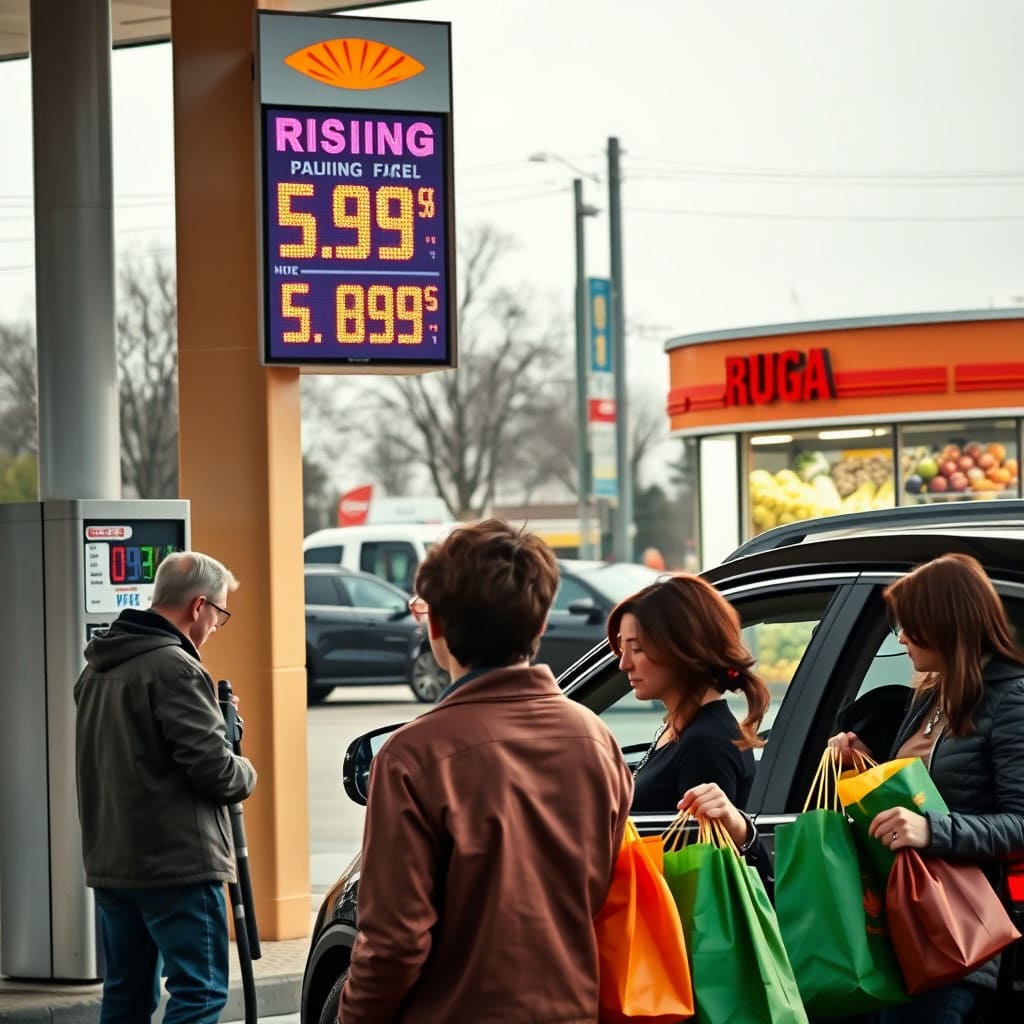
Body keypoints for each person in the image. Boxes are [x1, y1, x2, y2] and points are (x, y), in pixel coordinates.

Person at [340, 519, 633, 1023]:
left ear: (435, 627)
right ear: (540, 625)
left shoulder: (412, 755)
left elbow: (393, 944)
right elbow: (598, 894)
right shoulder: (595, 740)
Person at [830, 552, 1024, 1024]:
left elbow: (1020, 823)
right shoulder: (931, 693)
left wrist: (932, 831)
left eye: (911, 626)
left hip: (954, 931)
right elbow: (922, 791)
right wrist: (866, 764)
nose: (900, 638)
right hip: (903, 924)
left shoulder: (1010, 697)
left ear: (946, 623)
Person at [74, 551, 256, 1024]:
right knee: (201, 992)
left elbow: (140, 751)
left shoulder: (97, 667)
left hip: (113, 861)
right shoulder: (175, 666)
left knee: (127, 995)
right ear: (199, 607)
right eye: (220, 614)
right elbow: (216, 771)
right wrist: (245, 767)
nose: (217, 626)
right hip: (176, 865)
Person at [608, 573, 773, 880]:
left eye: (638, 648)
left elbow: (703, 874)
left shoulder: (706, 742)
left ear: (682, 648)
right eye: (622, 646)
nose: (624, 663)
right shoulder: (683, 729)